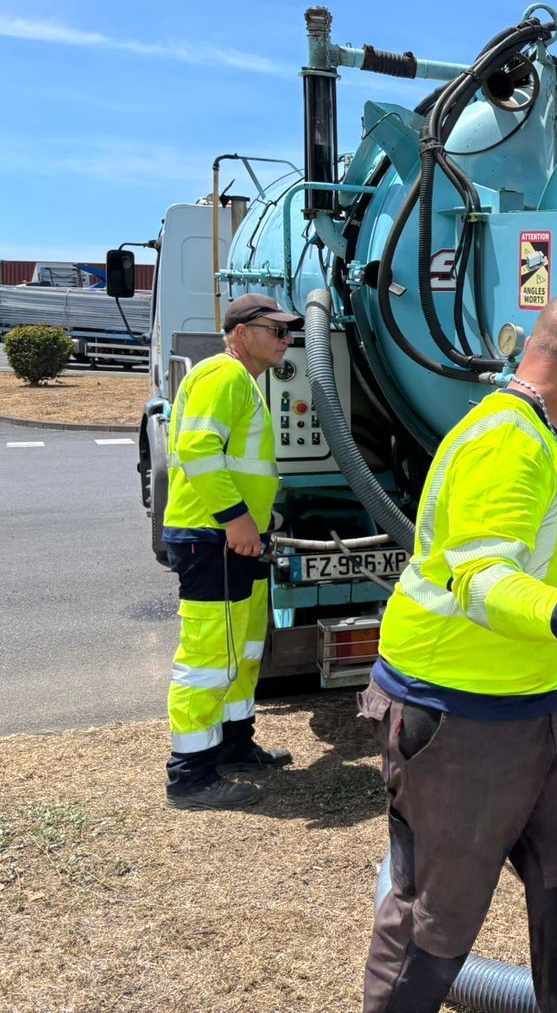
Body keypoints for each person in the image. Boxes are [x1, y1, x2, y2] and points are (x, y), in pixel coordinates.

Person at [360, 290, 557, 1013]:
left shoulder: (537, 434)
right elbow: (481, 576)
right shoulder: (508, 440)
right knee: (435, 924)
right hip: (461, 714)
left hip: (551, 701)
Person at [163, 293, 301, 811]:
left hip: (234, 539)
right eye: (277, 330)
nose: (286, 339)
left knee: (241, 650)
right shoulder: (221, 376)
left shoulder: (242, 381)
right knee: (208, 658)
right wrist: (238, 520)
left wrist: (263, 520)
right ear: (242, 333)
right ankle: (191, 776)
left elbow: (242, 465)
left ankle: (234, 746)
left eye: (289, 332)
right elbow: (198, 450)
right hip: (212, 538)